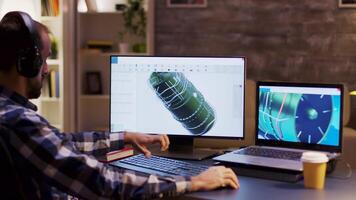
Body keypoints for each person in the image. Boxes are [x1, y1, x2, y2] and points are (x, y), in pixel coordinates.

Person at [0, 11, 239, 199]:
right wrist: (193, 182)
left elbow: (59, 145)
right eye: (45, 59)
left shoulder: (8, 113)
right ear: (27, 62)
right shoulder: (19, 122)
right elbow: (103, 183)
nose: (46, 69)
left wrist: (123, 137)